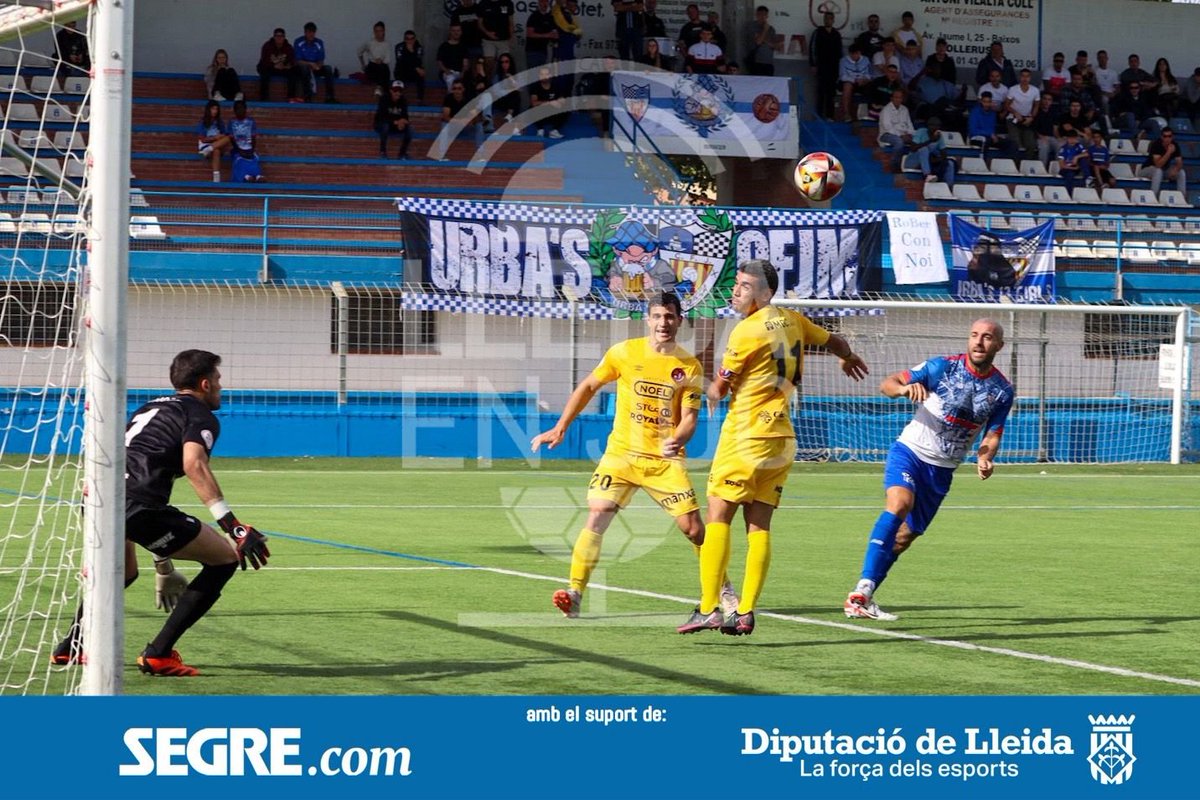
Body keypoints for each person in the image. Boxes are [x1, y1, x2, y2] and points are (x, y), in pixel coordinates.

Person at [678, 261, 868, 636]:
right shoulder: (793, 320)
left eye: (745, 286)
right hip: (782, 438)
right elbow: (834, 341)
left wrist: (695, 384)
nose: (736, 291)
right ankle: (745, 611)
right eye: (736, 284)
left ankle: (708, 607)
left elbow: (720, 388)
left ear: (765, 294)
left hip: (746, 436)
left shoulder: (746, 331)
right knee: (759, 526)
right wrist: (848, 357)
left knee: (717, 518)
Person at [51, 350, 270, 674]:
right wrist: (233, 526)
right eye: (219, 382)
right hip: (136, 504)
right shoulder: (200, 415)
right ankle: (159, 653)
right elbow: (194, 465)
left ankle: (71, 646)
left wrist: (163, 568)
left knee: (123, 573)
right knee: (224, 558)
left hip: (100, 496)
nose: (221, 388)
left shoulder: (151, 406)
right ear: (205, 383)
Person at [532, 292, 736, 619]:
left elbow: (689, 418)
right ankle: (575, 591)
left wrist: (677, 439)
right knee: (597, 512)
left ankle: (723, 590)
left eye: (669, 316)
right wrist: (560, 426)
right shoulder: (624, 353)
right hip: (622, 455)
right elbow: (587, 387)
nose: (663, 323)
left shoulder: (689, 366)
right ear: (648, 319)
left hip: (663, 462)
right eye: (657, 316)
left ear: (679, 321)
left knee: (695, 530)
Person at [844, 320, 1012, 621]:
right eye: (973, 335)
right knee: (899, 504)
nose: (978, 342)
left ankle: (864, 596)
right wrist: (904, 389)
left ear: (999, 345)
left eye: (987, 338)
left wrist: (985, 457)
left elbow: (993, 433)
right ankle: (858, 592)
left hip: (942, 470)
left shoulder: (1002, 391)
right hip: (910, 451)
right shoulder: (942, 367)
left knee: (904, 538)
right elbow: (888, 383)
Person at [809, 11, 843, 119]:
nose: (827, 20)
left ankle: (830, 116)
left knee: (831, 93)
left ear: (833, 20)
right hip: (821, 67)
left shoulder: (836, 34)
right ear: (824, 19)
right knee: (820, 92)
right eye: (826, 18)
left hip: (833, 68)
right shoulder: (818, 32)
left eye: (830, 18)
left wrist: (840, 68)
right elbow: (812, 48)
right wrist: (813, 64)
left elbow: (840, 52)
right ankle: (818, 116)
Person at [294, 21, 337, 103]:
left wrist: (318, 66)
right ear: (305, 32)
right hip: (302, 67)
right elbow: (298, 60)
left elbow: (321, 59)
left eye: (313, 32)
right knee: (304, 68)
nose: (311, 34)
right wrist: (310, 64)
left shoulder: (319, 42)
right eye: (309, 32)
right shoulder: (298, 42)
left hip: (315, 67)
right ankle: (307, 96)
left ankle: (330, 97)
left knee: (328, 69)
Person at [1004, 68, 1040, 163]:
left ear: (1030, 78)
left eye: (1027, 76)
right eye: (1023, 76)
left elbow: (1036, 106)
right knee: (1015, 142)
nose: (1025, 78)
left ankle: (1026, 164)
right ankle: (1015, 166)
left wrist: (1032, 118)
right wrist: (1015, 113)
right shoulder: (1013, 89)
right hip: (1013, 119)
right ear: (1020, 77)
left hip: (1027, 120)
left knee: (1031, 144)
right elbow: (1006, 105)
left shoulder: (1035, 90)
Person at [906, 117, 956, 186]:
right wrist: (931, 140)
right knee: (924, 149)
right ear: (928, 126)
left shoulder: (939, 136)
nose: (936, 128)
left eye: (938, 126)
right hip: (912, 162)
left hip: (928, 162)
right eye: (933, 125)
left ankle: (949, 187)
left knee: (950, 163)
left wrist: (936, 159)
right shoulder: (921, 132)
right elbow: (913, 148)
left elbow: (944, 154)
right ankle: (927, 175)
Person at [1138, 127, 1187, 195]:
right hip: (1147, 169)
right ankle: (1153, 196)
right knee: (1158, 171)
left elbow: (1179, 162)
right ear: (1162, 137)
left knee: (1181, 172)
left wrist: (1176, 169)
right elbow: (1158, 165)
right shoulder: (1156, 145)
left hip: (1164, 170)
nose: (1167, 138)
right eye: (1165, 136)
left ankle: (1182, 197)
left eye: (1169, 136)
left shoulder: (1175, 145)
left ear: (1172, 137)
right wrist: (1168, 152)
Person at [878, 87, 915, 171]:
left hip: (904, 134)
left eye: (900, 97)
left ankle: (911, 166)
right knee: (899, 142)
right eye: (896, 97)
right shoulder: (886, 110)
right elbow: (887, 127)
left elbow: (910, 125)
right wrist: (901, 135)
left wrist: (910, 134)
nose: (898, 99)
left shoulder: (905, 109)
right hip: (887, 135)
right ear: (892, 98)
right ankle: (895, 166)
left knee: (918, 140)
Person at [228, 99, 265, 182]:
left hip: (249, 147)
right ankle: (246, 176)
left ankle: (258, 175)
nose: (240, 111)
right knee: (239, 159)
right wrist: (239, 150)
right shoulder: (231, 122)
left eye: (242, 108)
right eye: (237, 109)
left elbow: (253, 137)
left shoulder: (251, 121)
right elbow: (231, 138)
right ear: (234, 111)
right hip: (237, 148)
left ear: (245, 109)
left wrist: (252, 149)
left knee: (254, 158)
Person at [256, 28, 297, 102]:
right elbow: (264, 60)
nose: (279, 38)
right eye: (277, 36)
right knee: (264, 74)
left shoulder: (288, 47)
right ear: (274, 37)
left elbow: (292, 61)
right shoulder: (267, 46)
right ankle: (264, 98)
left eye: (281, 36)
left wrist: (285, 66)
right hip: (269, 67)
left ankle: (291, 98)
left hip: (283, 68)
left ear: (284, 37)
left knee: (293, 74)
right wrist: (273, 66)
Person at [196, 100, 232, 183]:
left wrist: (221, 137)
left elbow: (224, 134)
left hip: (217, 144)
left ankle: (209, 149)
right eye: (213, 109)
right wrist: (215, 138)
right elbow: (202, 139)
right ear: (208, 109)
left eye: (216, 109)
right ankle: (207, 149)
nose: (215, 111)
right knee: (216, 150)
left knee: (227, 139)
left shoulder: (220, 122)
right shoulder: (203, 122)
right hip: (205, 144)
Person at [375, 80, 412, 159]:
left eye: (400, 91)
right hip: (382, 123)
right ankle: (383, 152)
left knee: (409, 130)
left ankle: (402, 154)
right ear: (391, 90)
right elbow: (382, 117)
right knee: (385, 126)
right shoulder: (384, 99)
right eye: (395, 90)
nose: (398, 93)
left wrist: (402, 122)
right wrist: (396, 122)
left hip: (396, 124)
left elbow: (406, 117)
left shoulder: (403, 100)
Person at [530, 65, 568, 138]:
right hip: (540, 114)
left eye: (546, 74)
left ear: (550, 75)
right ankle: (540, 130)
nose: (544, 76)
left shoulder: (556, 85)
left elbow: (562, 100)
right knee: (532, 109)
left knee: (566, 108)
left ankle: (554, 131)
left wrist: (560, 102)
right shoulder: (535, 86)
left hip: (552, 114)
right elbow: (534, 103)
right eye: (542, 74)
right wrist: (550, 102)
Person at [838, 42, 873, 121]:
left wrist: (864, 79)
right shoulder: (843, 61)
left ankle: (869, 113)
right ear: (849, 53)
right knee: (847, 86)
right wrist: (854, 80)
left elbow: (869, 74)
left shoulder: (866, 60)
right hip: (849, 81)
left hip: (862, 81)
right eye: (853, 54)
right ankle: (846, 114)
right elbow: (843, 76)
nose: (855, 56)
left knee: (872, 86)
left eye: (857, 53)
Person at [480, 0, 516, 74]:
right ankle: (488, 83)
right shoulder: (483, 3)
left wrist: (511, 38)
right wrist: (487, 33)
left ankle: (504, 83)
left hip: (503, 40)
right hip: (488, 40)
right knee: (489, 62)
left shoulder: (508, 3)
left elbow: (511, 22)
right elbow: (479, 23)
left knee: (505, 64)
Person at [357, 21, 393, 97]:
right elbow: (359, 52)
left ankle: (381, 90)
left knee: (384, 68)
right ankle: (380, 89)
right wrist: (363, 64)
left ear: (383, 31)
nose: (378, 33)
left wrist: (380, 60)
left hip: (382, 67)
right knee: (379, 68)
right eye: (376, 31)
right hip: (372, 67)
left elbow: (387, 59)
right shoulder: (369, 43)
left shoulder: (387, 44)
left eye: (380, 31)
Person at [525, 0, 558, 72]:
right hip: (533, 51)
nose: (545, 4)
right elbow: (529, 33)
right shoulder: (534, 16)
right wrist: (547, 35)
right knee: (532, 76)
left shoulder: (549, 17)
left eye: (546, 2)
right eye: (543, 2)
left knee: (540, 76)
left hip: (543, 51)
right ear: (539, 3)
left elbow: (553, 32)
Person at [747, 5, 781, 77]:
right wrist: (765, 30)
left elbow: (777, 46)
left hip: (768, 62)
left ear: (767, 16)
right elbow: (758, 42)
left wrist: (765, 41)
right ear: (756, 15)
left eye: (765, 15)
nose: (762, 17)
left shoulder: (771, 29)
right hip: (756, 62)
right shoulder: (752, 26)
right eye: (760, 15)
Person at [394, 30, 426, 104]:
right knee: (399, 75)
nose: (410, 41)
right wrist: (410, 52)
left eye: (412, 39)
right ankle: (399, 99)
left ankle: (420, 100)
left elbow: (418, 61)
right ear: (404, 39)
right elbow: (401, 61)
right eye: (407, 39)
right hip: (402, 70)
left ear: (415, 39)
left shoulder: (418, 47)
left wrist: (412, 51)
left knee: (421, 75)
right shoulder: (399, 47)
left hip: (413, 72)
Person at [967, 90, 1002, 156]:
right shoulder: (975, 112)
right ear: (981, 101)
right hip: (976, 138)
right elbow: (973, 131)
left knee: (1010, 143)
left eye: (989, 102)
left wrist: (993, 135)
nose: (987, 104)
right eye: (985, 102)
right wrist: (989, 134)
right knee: (986, 141)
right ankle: (984, 163)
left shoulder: (993, 113)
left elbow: (993, 129)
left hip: (991, 138)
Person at [492, 53, 522, 128]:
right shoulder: (497, 76)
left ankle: (510, 116)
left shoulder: (515, 76)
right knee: (513, 92)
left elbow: (520, 89)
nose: (504, 64)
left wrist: (511, 78)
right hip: (500, 101)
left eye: (506, 61)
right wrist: (509, 90)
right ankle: (509, 116)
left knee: (515, 94)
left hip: (511, 101)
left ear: (510, 63)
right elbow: (496, 92)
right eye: (502, 62)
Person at [437, 23, 470, 91]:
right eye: (454, 31)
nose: (456, 33)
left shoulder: (463, 47)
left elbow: (465, 63)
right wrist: (446, 70)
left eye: (458, 31)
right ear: (450, 32)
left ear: (461, 32)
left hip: (460, 72)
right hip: (447, 72)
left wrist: (463, 73)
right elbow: (439, 62)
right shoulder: (444, 46)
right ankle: (451, 98)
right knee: (450, 79)